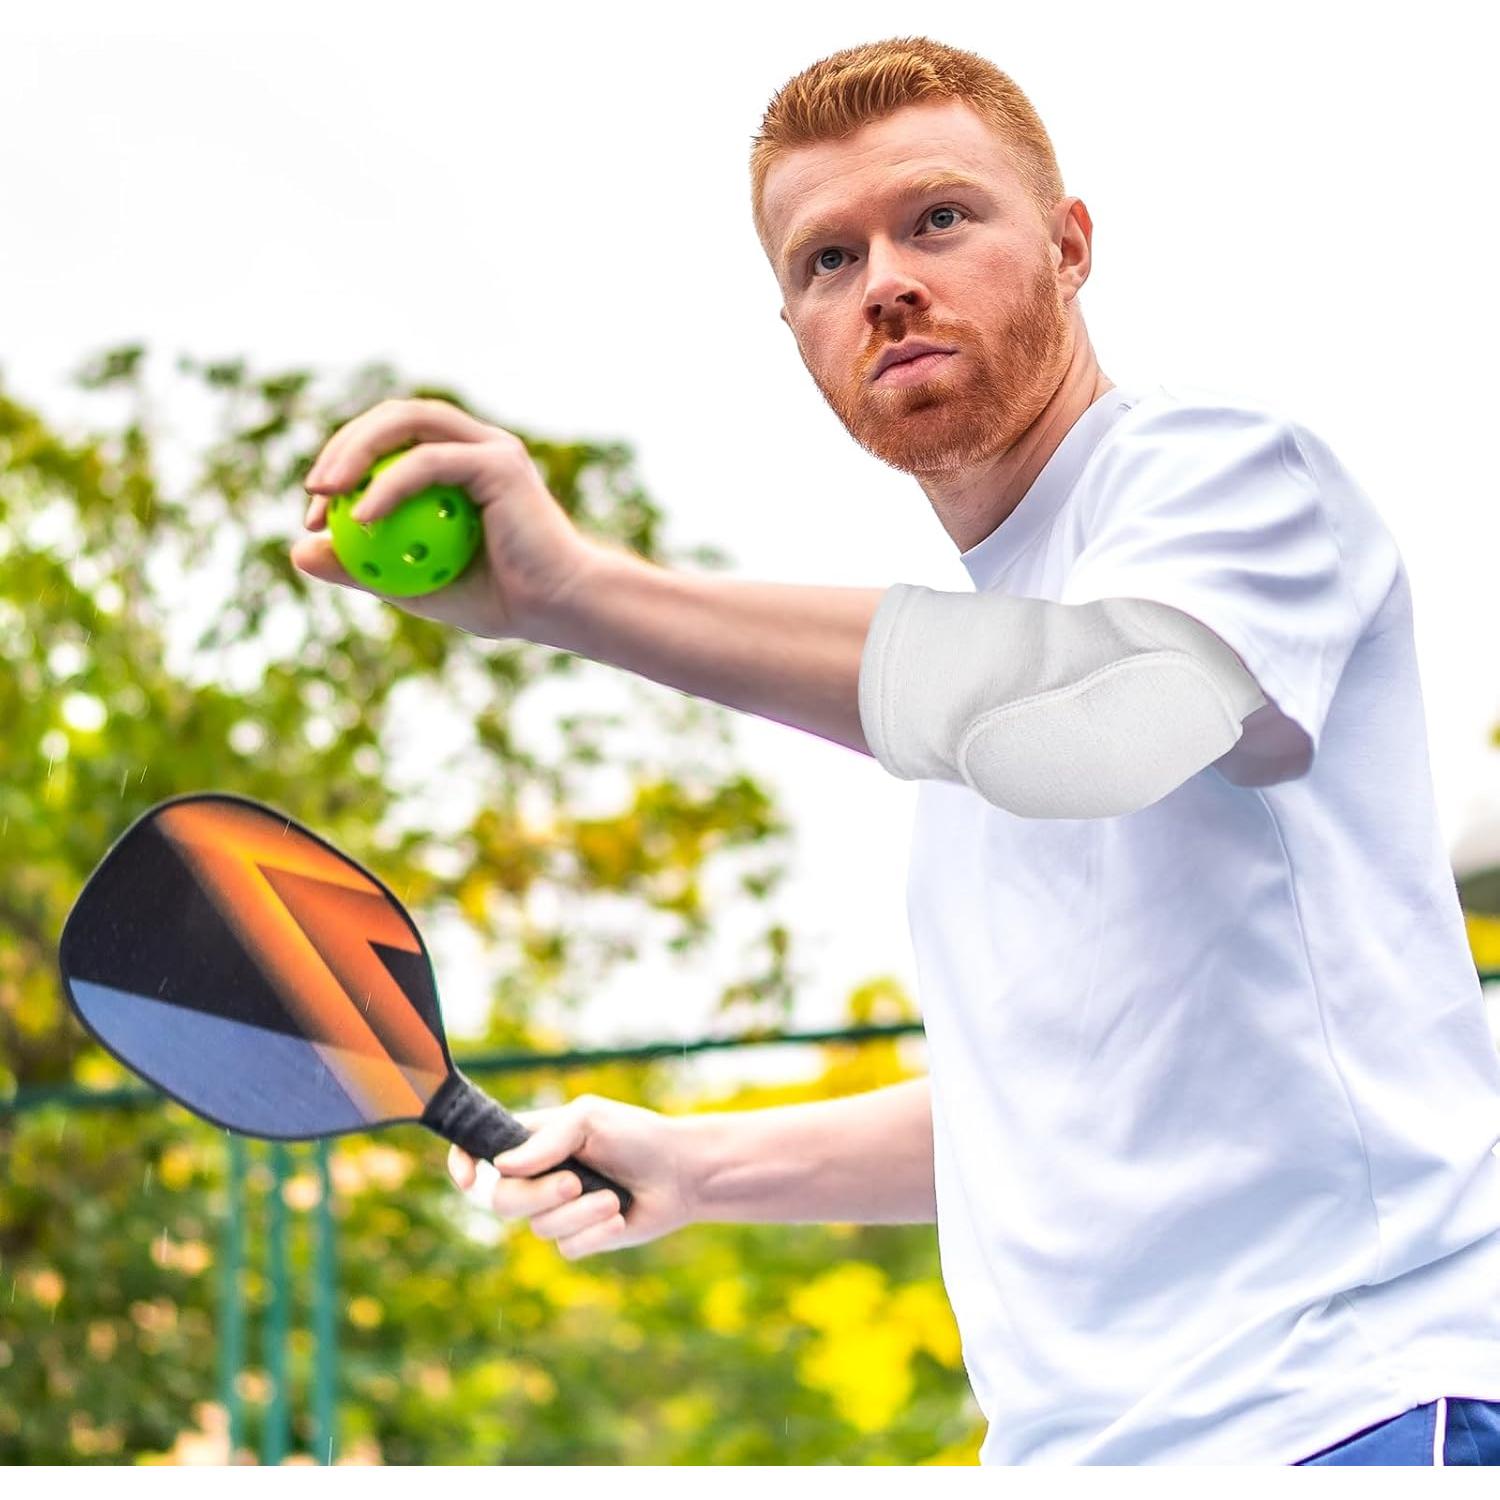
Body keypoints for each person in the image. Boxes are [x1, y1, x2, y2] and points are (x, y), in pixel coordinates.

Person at [292, 35, 1500, 1467]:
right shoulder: (964, 707)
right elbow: (1037, 1112)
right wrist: (701, 1164)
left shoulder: (1228, 475)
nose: (885, 282)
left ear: (1068, 246)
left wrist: (581, 598)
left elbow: (1099, 716)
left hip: (1349, 1414)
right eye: (825, 260)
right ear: (797, 331)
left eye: (938, 218)